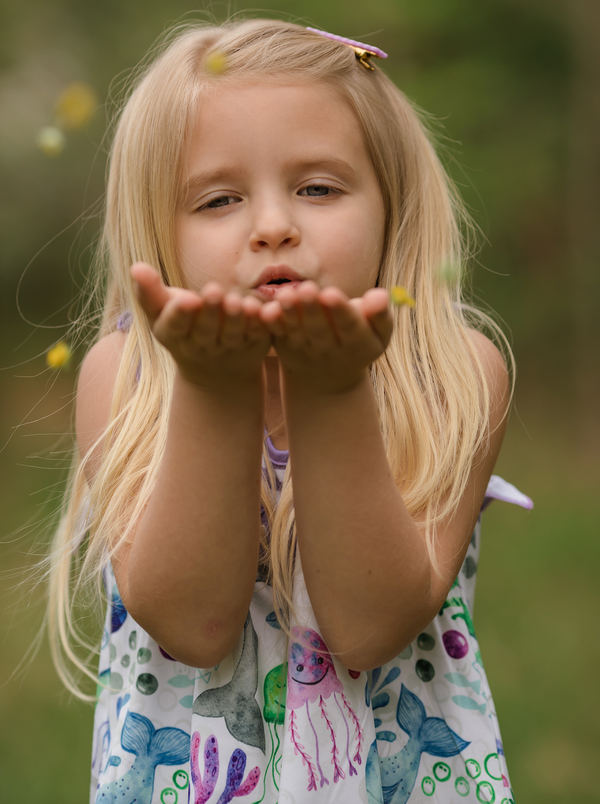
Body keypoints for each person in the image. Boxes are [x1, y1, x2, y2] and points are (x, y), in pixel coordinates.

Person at [47, 19, 532, 804]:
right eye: (219, 198)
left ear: (392, 205)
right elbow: (192, 625)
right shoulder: (128, 376)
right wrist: (211, 388)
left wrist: (335, 389)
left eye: (318, 188)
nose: (274, 225)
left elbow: (368, 629)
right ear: (159, 235)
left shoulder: (451, 371)